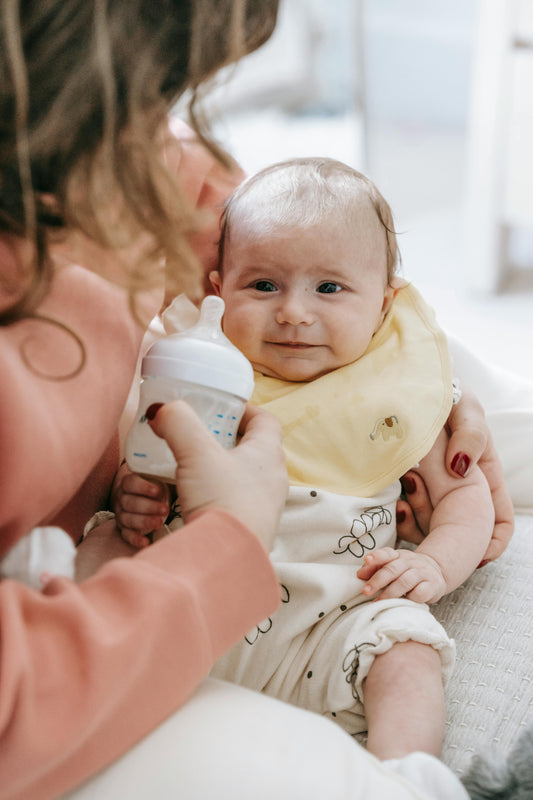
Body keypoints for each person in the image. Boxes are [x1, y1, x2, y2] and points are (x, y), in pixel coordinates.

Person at [0, 2, 515, 799]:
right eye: (157, 95)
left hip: (336, 590)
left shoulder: (132, 154)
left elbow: (293, 227)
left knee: (415, 633)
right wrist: (169, 512)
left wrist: (417, 385)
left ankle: (409, 759)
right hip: (157, 592)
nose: (293, 311)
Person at [115, 157, 494, 761]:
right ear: (217, 291)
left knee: (407, 654)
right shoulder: (200, 373)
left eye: (329, 288)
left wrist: (438, 568)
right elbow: (150, 463)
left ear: (383, 305)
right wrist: (134, 496)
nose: (293, 311)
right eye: (262, 285)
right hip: (197, 601)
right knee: (107, 554)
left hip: (337, 618)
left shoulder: (398, 393)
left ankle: (406, 776)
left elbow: (467, 498)